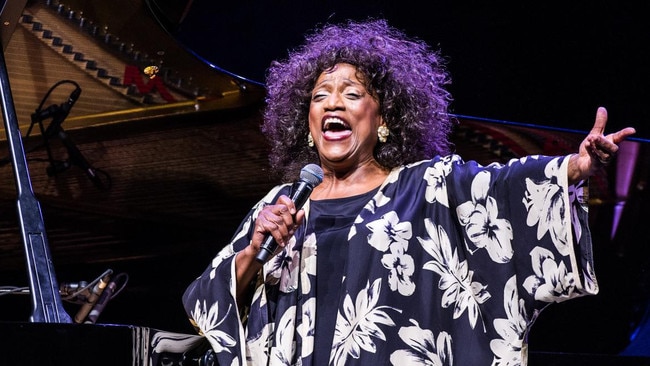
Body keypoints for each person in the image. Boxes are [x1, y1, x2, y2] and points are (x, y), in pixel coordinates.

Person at [182, 18, 636, 365]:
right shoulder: (280, 203)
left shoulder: (426, 188)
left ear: (383, 120)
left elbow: (503, 189)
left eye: (351, 94)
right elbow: (206, 308)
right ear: (306, 123)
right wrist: (253, 252)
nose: (333, 103)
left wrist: (577, 166)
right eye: (320, 96)